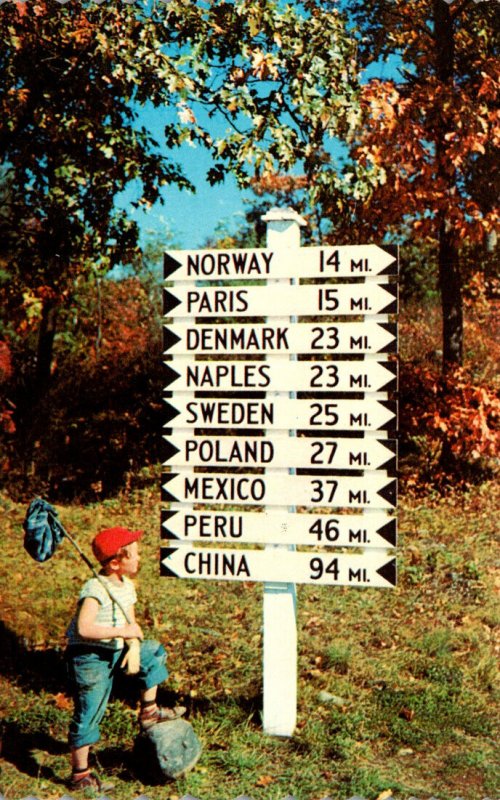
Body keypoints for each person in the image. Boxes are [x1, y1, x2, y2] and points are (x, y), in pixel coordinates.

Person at [65, 526, 185, 792]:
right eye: (135, 555)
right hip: (90, 656)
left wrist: (133, 640)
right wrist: (122, 632)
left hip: (117, 648)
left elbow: (129, 619)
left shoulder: (126, 586)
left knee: (154, 653)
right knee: (90, 709)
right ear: (116, 562)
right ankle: (80, 775)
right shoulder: (95, 589)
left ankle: (149, 712)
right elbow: (84, 629)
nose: (140, 558)